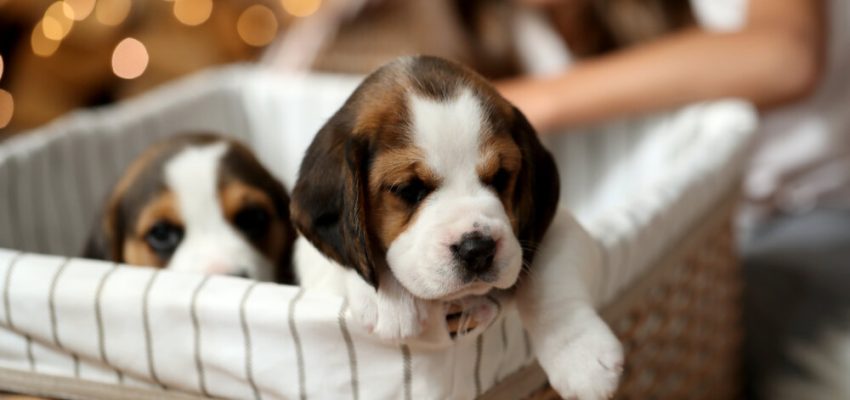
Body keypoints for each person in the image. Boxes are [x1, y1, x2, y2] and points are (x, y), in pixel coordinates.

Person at [495, 1, 850, 398]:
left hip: (819, 215)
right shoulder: (517, 33)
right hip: (709, 270)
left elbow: (786, 57)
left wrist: (526, 103)